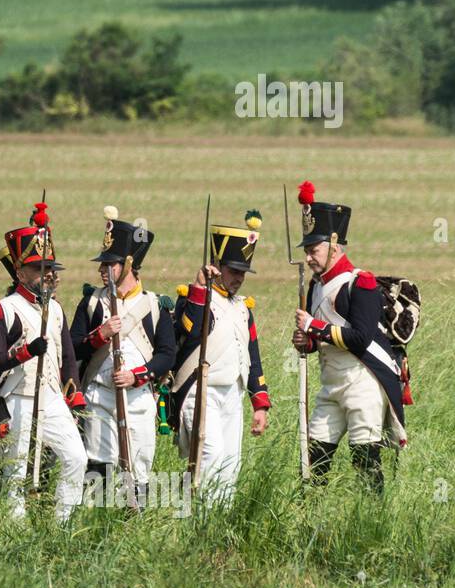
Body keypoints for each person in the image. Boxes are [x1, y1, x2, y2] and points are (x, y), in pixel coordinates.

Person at [291, 181, 407, 492]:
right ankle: (310, 521)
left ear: (333, 245)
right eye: (307, 251)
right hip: (332, 384)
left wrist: (314, 328)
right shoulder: (317, 286)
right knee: (313, 458)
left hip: (363, 381)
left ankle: (372, 524)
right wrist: (309, 343)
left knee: (365, 462)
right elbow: (325, 338)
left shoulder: (361, 283)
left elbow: (360, 338)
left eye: (313, 250)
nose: (309, 258)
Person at [0, 202, 87, 521]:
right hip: (17, 398)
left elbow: (67, 358)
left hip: (52, 398)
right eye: (39, 268)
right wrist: (25, 352)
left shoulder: (55, 308)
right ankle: (17, 532)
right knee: (14, 476)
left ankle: (61, 523)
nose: (48, 274)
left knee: (76, 458)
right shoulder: (1, 310)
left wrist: (75, 396)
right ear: (19, 271)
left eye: (50, 268)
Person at [71, 206, 177, 509]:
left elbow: (167, 355)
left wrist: (137, 376)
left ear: (128, 264)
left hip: (139, 397)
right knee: (99, 466)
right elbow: (73, 347)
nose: (102, 270)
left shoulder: (155, 306)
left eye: (110, 264)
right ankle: (98, 523)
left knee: (139, 469)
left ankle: (133, 521)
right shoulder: (91, 302)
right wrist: (100, 335)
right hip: (99, 396)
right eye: (103, 264)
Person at [170, 210, 271, 503]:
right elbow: (187, 331)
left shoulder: (242, 308)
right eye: (233, 271)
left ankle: (217, 525)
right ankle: (194, 516)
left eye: (242, 273)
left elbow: (251, 354)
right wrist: (200, 288)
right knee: (209, 454)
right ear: (216, 266)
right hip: (200, 390)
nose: (239, 278)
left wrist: (259, 401)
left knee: (229, 463)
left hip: (232, 393)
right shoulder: (194, 297)